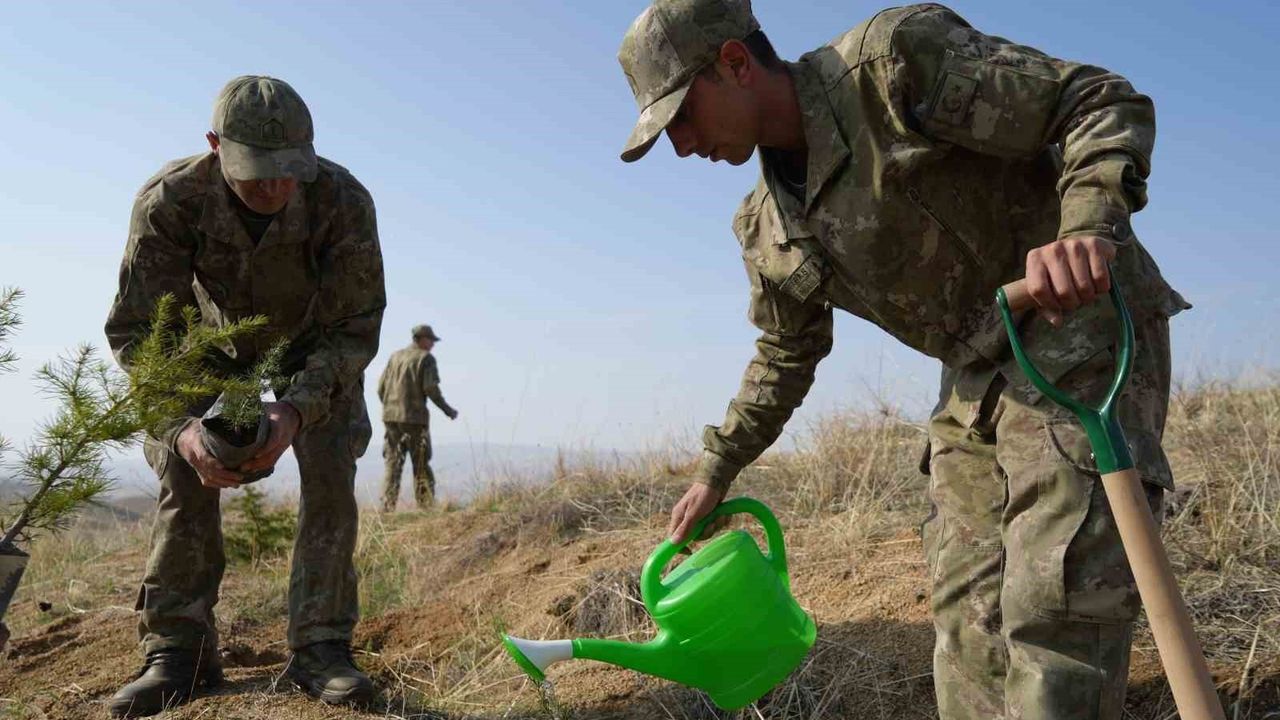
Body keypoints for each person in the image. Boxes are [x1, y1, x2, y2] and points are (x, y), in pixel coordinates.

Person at [616, 2, 1189, 718]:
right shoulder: (766, 228)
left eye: (682, 115)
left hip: (1078, 334)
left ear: (734, 63)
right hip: (975, 381)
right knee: (966, 629)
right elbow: (786, 352)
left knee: (1056, 610)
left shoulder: (892, 67)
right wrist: (717, 469)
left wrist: (1086, 228)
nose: (681, 144)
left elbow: (1095, 99)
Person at [103, 75, 386, 717]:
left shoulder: (342, 201)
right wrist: (181, 428)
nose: (275, 188)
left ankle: (322, 647)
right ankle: (179, 652)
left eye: (290, 172)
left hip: (314, 347)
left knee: (331, 468)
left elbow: (354, 328)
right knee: (185, 475)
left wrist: (297, 408)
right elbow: (141, 333)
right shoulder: (170, 202)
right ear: (214, 147)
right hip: (203, 349)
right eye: (257, 174)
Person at [377, 324, 457, 511]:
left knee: (393, 463)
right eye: (431, 340)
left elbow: (381, 388)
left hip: (391, 418)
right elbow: (430, 388)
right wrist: (447, 410)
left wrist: (391, 408)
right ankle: (426, 506)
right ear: (421, 339)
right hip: (414, 419)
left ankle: (386, 509)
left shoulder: (395, 357)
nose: (433, 345)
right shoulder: (426, 359)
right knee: (420, 463)